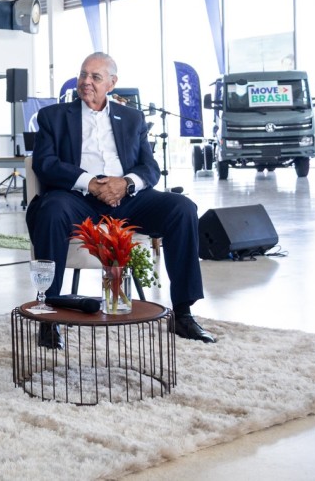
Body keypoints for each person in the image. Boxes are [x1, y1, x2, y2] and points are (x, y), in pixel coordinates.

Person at [26, 52, 216, 345]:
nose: (86, 81)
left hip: (127, 198)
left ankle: (183, 313)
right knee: (51, 210)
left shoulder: (132, 118)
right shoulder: (54, 116)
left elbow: (150, 168)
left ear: (111, 83)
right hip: (77, 198)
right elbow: (45, 164)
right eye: (83, 74)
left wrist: (126, 184)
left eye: (95, 77)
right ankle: (49, 317)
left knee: (182, 208)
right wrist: (90, 183)